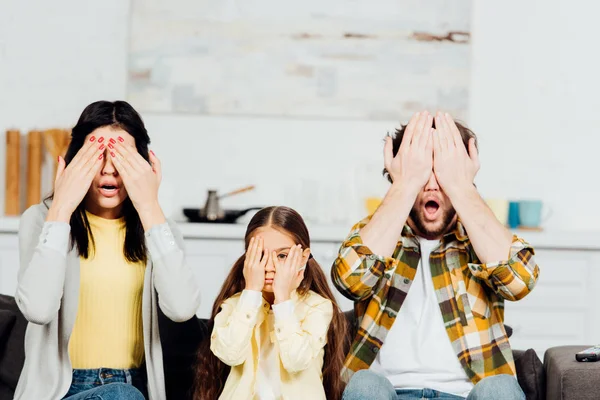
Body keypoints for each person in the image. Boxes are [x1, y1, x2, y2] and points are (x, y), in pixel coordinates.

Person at [332, 111, 540, 400]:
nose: (431, 185)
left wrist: (460, 187)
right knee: (365, 384)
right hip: (389, 392)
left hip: (467, 395)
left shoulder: (480, 238)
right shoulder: (379, 233)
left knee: (500, 388)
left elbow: (521, 281)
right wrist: (404, 184)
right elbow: (349, 281)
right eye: (421, 172)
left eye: (442, 172)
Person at [14, 100, 202, 400]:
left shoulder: (160, 230)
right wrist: (62, 206)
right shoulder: (41, 220)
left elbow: (181, 309)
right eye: (97, 156)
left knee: (123, 393)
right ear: (76, 161)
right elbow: (38, 308)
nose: (110, 170)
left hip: (134, 388)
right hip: (61, 392)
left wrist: (150, 206)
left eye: (122, 157)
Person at [193, 206, 347, 400]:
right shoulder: (235, 305)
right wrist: (250, 293)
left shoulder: (318, 307)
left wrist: (283, 299)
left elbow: (296, 361)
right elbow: (229, 354)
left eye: (282, 256)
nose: (269, 266)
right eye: (260, 255)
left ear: (303, 257)